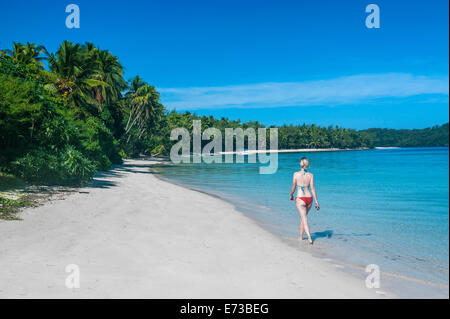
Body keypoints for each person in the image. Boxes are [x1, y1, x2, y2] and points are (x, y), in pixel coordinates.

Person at [289, 157, 320, 244]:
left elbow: (293, 186)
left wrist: (291, 195)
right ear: (307, 164)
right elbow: (313, 188)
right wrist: (316, 201)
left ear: (300, 164)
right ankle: (300, 236)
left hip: (300, 198)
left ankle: (309, 238)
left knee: (304, 218)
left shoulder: (296, 174)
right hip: (309, 198)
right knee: (303, 218)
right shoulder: (311, 175)